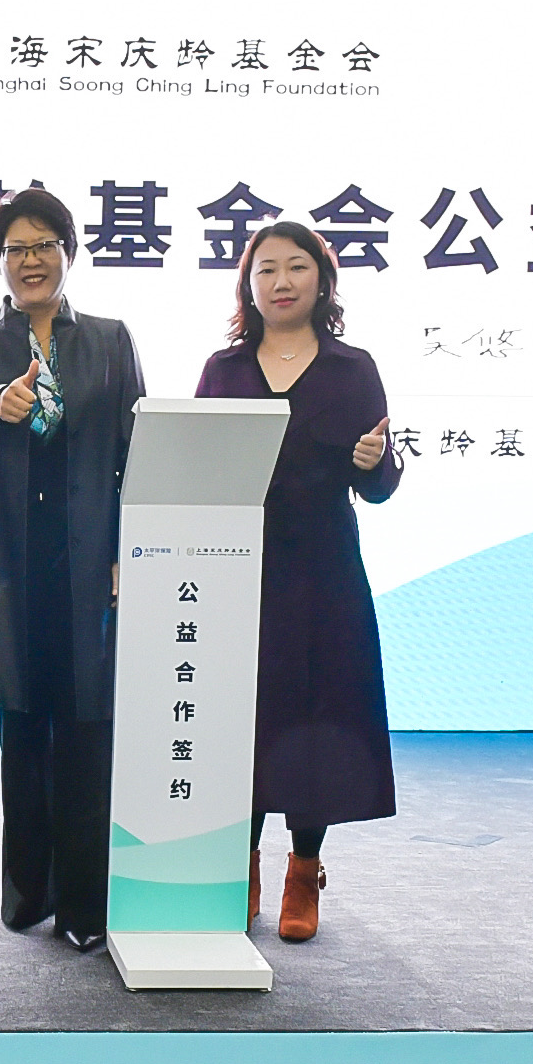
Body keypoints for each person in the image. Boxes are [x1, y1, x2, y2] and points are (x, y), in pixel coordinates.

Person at [0, 187, 146, 953]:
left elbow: (135, 450)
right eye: (15, 249)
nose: (30, 261)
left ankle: (86, 907)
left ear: (68, 251)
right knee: (23, 737)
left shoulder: (110, 338)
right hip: (14, 570)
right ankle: (29, 894)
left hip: (91, 566)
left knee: (89, 737)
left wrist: (129, 550)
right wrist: (4, 398)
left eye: (44, 246)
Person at [195, 221, 401, 943]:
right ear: (248, 286)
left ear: (322, 279)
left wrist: (375, 461)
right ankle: (241, 863)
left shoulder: (352, 369)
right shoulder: (223, 370)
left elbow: (379, 487)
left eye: (296, 267)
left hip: (323, 573)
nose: (281, 282)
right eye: (266, 270)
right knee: (241, 720)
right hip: (237, 573)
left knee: (318, 723)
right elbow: (194, 469)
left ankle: (304, 870)